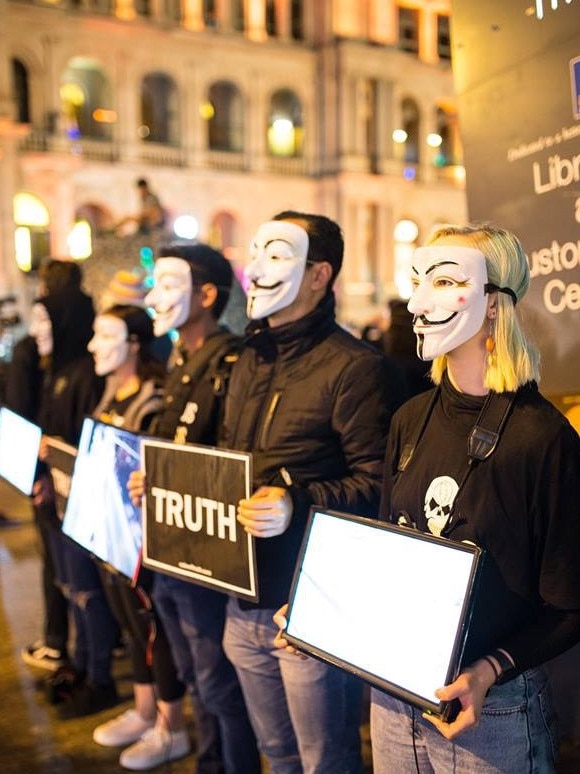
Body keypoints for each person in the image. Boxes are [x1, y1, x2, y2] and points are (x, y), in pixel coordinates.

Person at [371, 223, 580, 773]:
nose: (418, 301)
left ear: (494, 305)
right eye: (418, 280)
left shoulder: (542, 438)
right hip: (396, 695)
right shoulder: (409, 419)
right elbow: (389, 548)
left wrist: (490, 669)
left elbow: (571, 602)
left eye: (443, 282)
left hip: (496, 713)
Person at [219, 211, 407, 773]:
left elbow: (378, 485)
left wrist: (297, 502)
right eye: (256, 252)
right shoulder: (248, 356)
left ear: (319, 274)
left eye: (275, 255)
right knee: (276, 754)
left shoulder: (355, 367)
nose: (255, 269)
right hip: (241, 596)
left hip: (307, 609)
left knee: (326, 760)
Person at [127, 242, 260, 773]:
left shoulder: (231, 360)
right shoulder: (181, 356)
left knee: (218, 684)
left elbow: (229, 459)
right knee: (194, 673)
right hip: (171, 548)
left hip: (207, 556)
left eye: (169, 284)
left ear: (208, 294)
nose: (153, 297)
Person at [86, 302, 191, 769]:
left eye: (106, 336)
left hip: (145, 542)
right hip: (108, 534)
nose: (94, 345)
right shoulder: (108, 393)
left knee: (155, 630)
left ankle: (173, 725)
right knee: (130, 627)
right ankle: (145, 709)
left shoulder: (156, 398)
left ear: (133, 343)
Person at [19, 260, 100, 672]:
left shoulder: (83, 373)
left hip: (77, 503)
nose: (35, 335)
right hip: (56, 493)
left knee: (83, 586)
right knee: (65, 578)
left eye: (43, 322)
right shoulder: (55, 371)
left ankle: (89, 665)